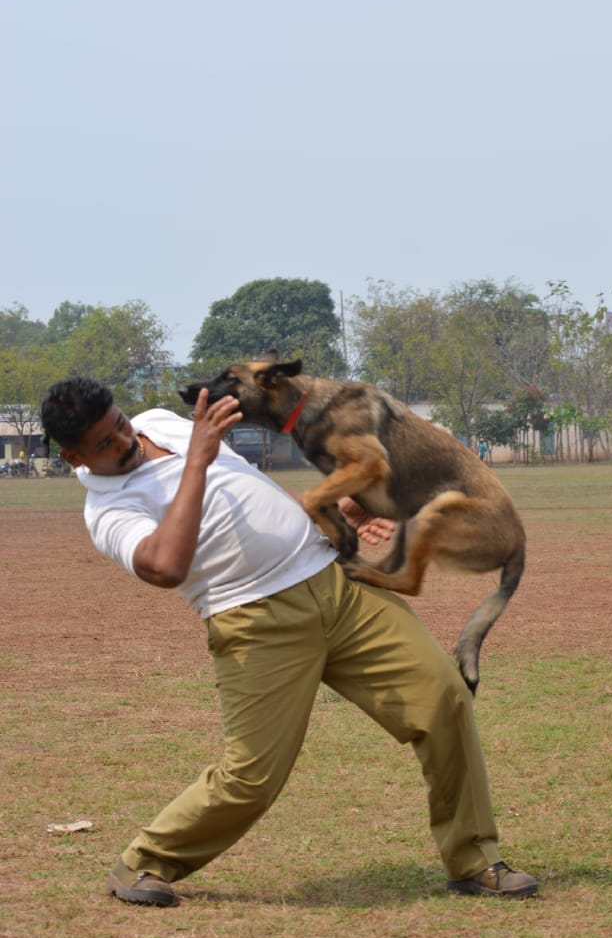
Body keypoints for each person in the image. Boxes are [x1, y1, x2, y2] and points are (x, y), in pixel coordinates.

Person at [40, 377, 538, 907]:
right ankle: (144, 862)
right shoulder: (109, 511)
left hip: (336, 581)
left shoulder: (158, 422)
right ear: (74, 458)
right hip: (256, 621)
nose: (124, 440)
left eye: (119, 423)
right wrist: (196, 460)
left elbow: (242, 487)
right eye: (105, 443)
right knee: (251, 776)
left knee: (443, 697)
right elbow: (164, 565)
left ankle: (474, 860)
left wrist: (334, 513)